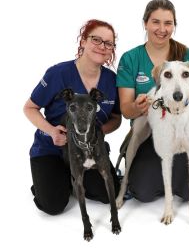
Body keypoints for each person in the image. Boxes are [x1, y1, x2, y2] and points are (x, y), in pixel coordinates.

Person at [24, 19, 122, 215]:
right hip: (53, 147)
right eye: (96, 39)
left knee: (109, 193)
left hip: (88, 150)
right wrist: (52, 131)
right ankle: (53, 178)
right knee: (52, 205)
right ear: (83, 41)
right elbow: (30, 108)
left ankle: (74, 176)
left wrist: (99, 132)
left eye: (108, 43)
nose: (102, 47)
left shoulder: (111, 80)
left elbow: (116, 118)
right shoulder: (58, 73)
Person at [116, 0, 189, 202]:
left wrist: (178, 105)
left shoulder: (187, 56)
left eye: (168, 23)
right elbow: (126, 110)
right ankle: (129, 178)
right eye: (156, 22)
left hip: (183, 126)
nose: (162, 29)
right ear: (145, 23)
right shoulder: (131, 58)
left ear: (174, 25)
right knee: (143, 191)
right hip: (151, 128)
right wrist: (139, 107)